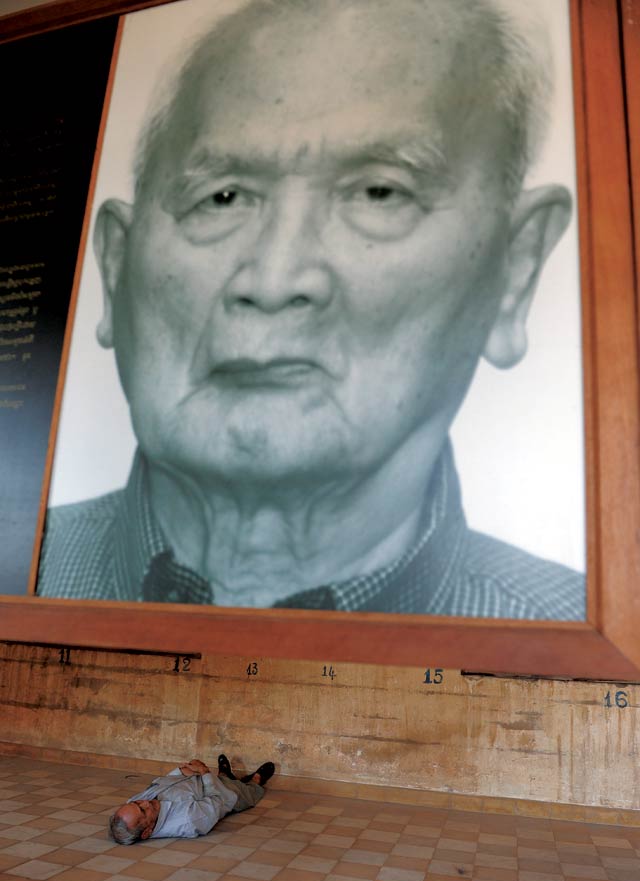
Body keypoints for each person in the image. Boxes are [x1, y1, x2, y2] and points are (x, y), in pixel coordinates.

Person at [38, 0, 585, 620]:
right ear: (116, 268)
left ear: (515, 269)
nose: (273, 280)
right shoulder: (22, 573)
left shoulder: (582, 639)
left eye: (379, 192)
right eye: (223, 197)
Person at [108, 753, 275, 844]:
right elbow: (218, 800)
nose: (144, 801)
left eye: (136, 803)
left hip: (198, 778)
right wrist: (203, 772)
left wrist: (183, 771)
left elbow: (159, 784)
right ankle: (255, 780)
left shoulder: (134, 804)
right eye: (143, 810)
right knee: (245, 792)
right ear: (147, 832)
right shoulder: (189, 820)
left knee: (223, 778)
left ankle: (224, 773)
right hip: (224, 792)